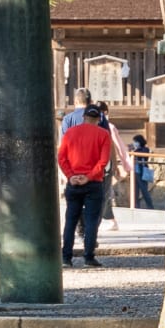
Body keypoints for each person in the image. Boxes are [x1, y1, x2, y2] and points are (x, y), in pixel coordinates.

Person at [57, 103, 112, 266]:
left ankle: (66, 257)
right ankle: (88, 256)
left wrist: (70, 175)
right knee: (91, 220)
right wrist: (89, 176)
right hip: (93, 183)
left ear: (84, 117)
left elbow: (61, 158)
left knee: (70, 220)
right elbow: (103, 161)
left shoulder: (70, 133)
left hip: (73, 183)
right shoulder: (103, 134)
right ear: (98, 118)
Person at [130, 133, 154, 208]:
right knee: (135, 191)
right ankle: (136, 206)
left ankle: (150, 206)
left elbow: (142, 154)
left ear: (139, 141)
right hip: (134, 172)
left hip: (141, 172)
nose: (134, 143)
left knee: (144, 190)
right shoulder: (134, 149)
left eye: (135, 141)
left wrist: (135, 150)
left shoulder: (145, 149)